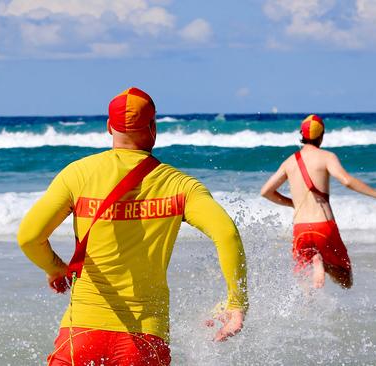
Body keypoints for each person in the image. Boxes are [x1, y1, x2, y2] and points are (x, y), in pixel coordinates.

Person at [17, 87, 248, 365]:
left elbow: (29, 237)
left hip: (80, 335)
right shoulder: (180, 186)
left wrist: (55, 268)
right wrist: (236, 303)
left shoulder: (77, 175)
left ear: (109, 127)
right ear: (153, 127)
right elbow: (227, 234)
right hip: (144, 339)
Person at [260, 114, 376, 289]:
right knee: (346, 281)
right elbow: (347, 181)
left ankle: (313, 269)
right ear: (321, 136)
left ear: (302, 135)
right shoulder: (327, 157)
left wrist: (292, 203)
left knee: (304, 284)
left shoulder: (289, 162)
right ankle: (323, 263)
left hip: (300, 229)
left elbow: (266, 192)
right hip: (323, 226)